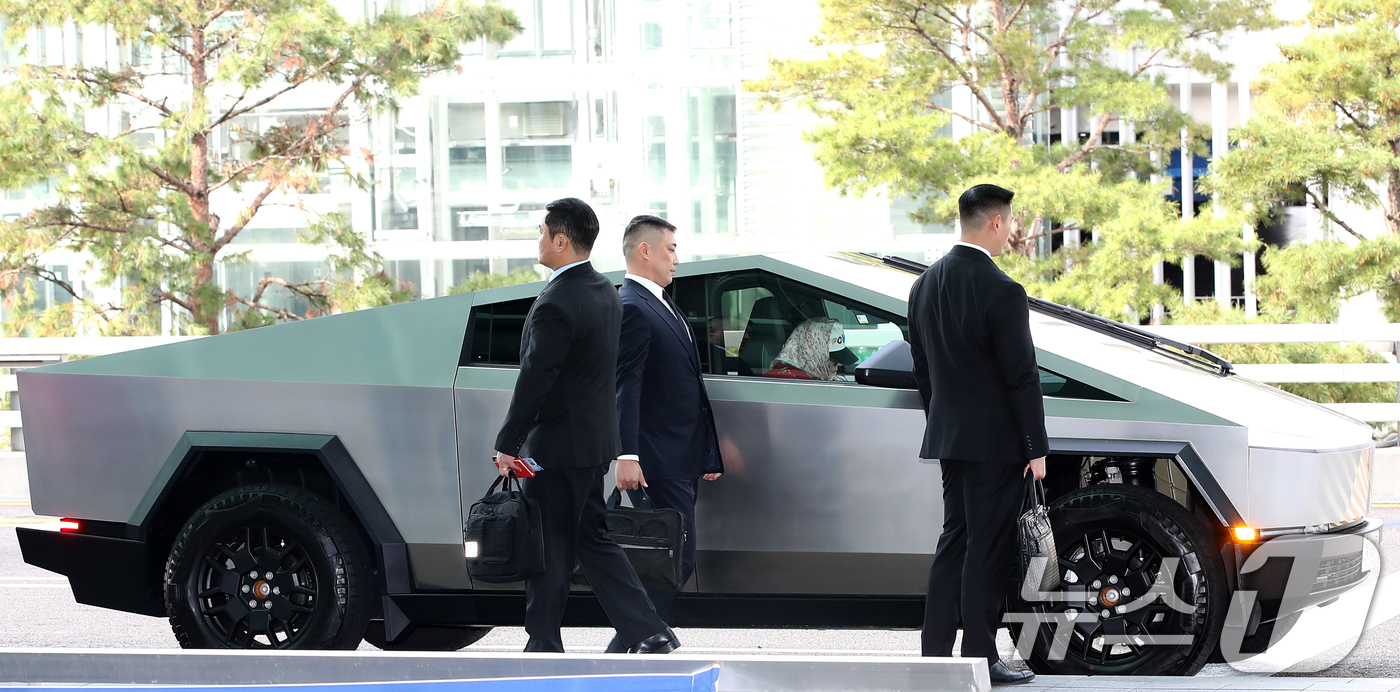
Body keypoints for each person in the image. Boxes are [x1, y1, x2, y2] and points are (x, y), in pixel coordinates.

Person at [492, 198, 679, 655]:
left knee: (548, 544)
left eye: (542, 233)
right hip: (591, 444)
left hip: (553, 448)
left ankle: (542, 643)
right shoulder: (603, 290)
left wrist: (508, 442)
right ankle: (648, 631)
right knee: (588, 538)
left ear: (561, 240)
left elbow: (538, 378)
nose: (538, 241)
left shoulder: (559, 299)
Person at [908, 183, 1048, 685]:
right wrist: (1036, 448)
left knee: (955, 540)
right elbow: (1021, 375)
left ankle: (934, 654)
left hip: (949, 437)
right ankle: (981, 657)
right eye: (1009, 223)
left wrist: (942, 422)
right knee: (986, 548)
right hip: (996, 443)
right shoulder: (1002, 290)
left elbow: (923, 370)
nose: (1010, 231)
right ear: (995, 223)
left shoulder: (924, 285)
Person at [609, 214, 724, 651]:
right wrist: (627, 454)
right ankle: (640, 644)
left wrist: (707, 455)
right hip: (655, 459)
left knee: (669, 559)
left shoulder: (660, 301)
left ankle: (639, 646)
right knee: (674, 558)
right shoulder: (633, 306)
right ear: (646, 250)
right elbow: (626, 386)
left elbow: (684, 387)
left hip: (678, 456)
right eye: (671, 248)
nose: (677, 257)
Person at [763, 317, 857, 380]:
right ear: (813, 354)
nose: (840, 364)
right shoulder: (783, 380)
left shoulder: (816, 379)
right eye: (833, 358)